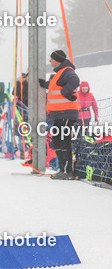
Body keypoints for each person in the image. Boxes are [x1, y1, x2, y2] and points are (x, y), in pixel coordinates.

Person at [40, 49, 81, 180]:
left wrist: (66, 92)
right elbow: (55, 87)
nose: (50, 61)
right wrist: (43, 84)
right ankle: (63, 170)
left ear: (57, 59)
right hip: (59, 113)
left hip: (66, 112)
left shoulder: (67, 71)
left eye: (51, 58)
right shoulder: (60, 73)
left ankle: (67, 171)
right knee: (58, 141)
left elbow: (75, 80)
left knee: (64, 141)